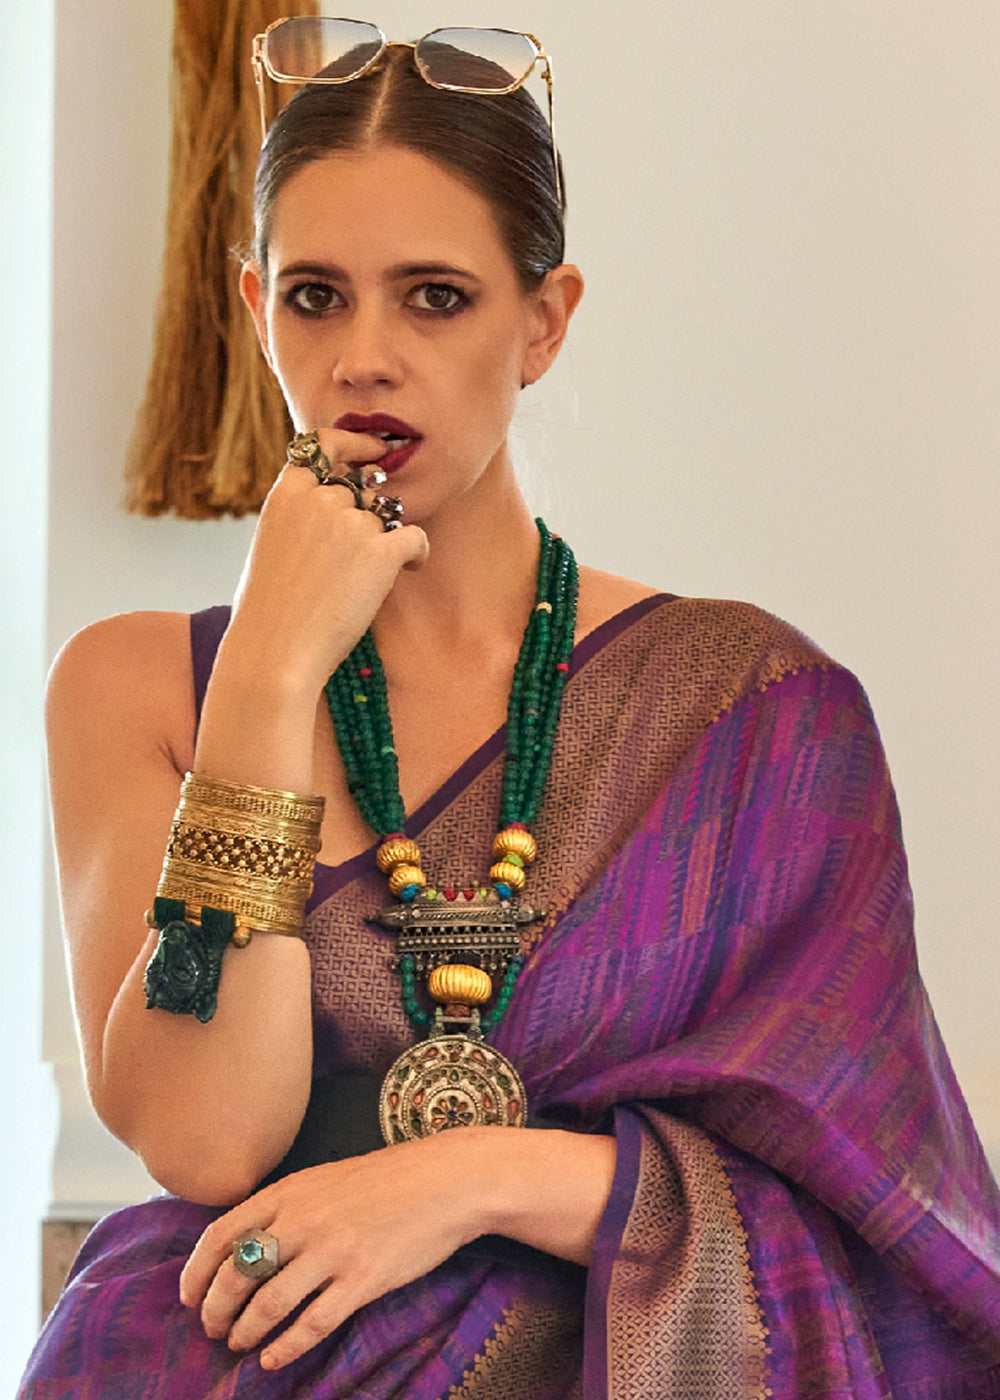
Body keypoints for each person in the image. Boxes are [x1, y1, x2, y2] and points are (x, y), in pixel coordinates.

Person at [19, 20, 1000, 1399]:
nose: (365, 358)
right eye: (314, 297)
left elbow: (878, 1222)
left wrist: (472, 1179)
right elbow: (206, 1139)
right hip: (210, 1358)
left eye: (435, 297)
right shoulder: (138, 688)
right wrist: (270, 675)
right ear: (252, 309)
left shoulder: (756, 712)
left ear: (543, 321)